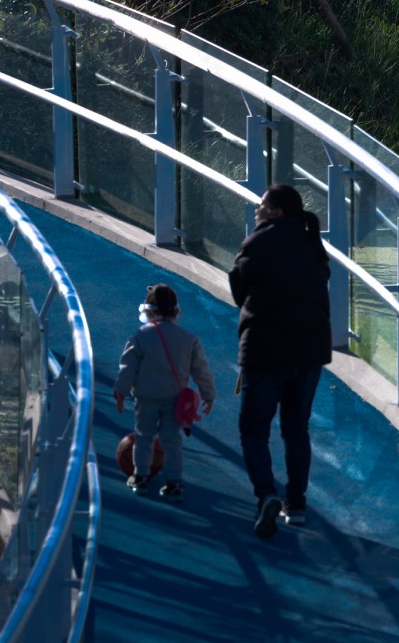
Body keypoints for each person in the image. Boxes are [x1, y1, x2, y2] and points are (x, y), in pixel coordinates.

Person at [228, 183, 332, 538]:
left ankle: (266, 495)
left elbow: (238, 290)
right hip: (309, 352)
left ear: (275, 211)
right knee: (296, 429)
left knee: (254, 430)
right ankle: (297, 505)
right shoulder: (311, 243)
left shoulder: (258, 242)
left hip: (265, 351)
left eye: (262, 204)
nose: (257, 209)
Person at [114, 283, 216, 500]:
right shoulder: (189, 338)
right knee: (172, 442)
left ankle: (140, 477)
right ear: (177, 311)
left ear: (148, 311)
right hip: (174, 399)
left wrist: (121, 391)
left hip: (146, 398)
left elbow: (128, 366)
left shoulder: (141, 336)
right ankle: (174, 483)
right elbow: (201, 370)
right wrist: (208, 395)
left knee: (143, 438)